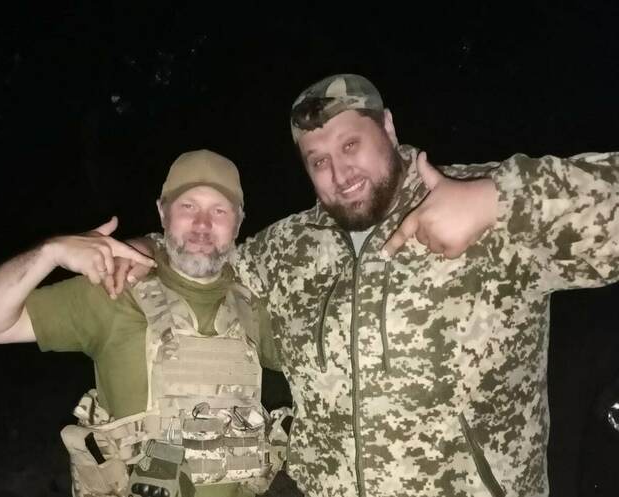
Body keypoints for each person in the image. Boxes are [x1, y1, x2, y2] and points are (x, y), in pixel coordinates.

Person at [122, 74, 618, 497]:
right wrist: (131, 249)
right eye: (318, 161)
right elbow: (203, 258)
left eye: (350, 145)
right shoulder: (288, 247)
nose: (340, 173)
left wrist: (501, 199)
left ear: (388, 128)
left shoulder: (473, 201)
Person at [0, 150, 288, 497]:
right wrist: (49, 252)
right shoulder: (116, 288)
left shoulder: (254, 305)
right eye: (188, 206)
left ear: (238, 222)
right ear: (162, 212)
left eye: (219, 211)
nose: (202, 224)